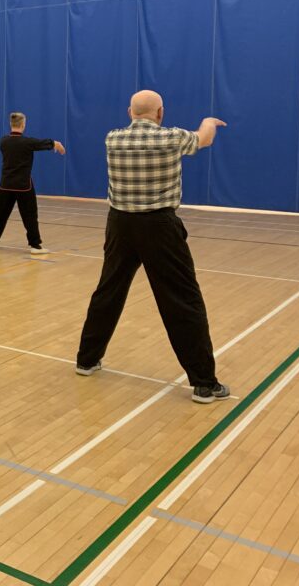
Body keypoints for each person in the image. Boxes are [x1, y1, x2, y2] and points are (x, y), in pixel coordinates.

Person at [74, 90, 229, 404]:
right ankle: (204, 383)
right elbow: (205, 139)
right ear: (161, 113)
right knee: (182, 299)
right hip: (159, 227)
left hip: (119, 225)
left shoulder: (112, 139)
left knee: (108, 291)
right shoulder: (171, 137)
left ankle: (86, 359)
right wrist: (208, 121)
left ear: (129, 111)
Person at [0, 112, 65, 254]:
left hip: (6, 185)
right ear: (23, 124)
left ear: (11, 124)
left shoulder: (3, 141)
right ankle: (35, 245)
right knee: (30, 215)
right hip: (23, 186)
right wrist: (55, 144)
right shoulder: (27, 142)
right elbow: (41, 143)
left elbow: (38, 143)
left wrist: (53, 144)